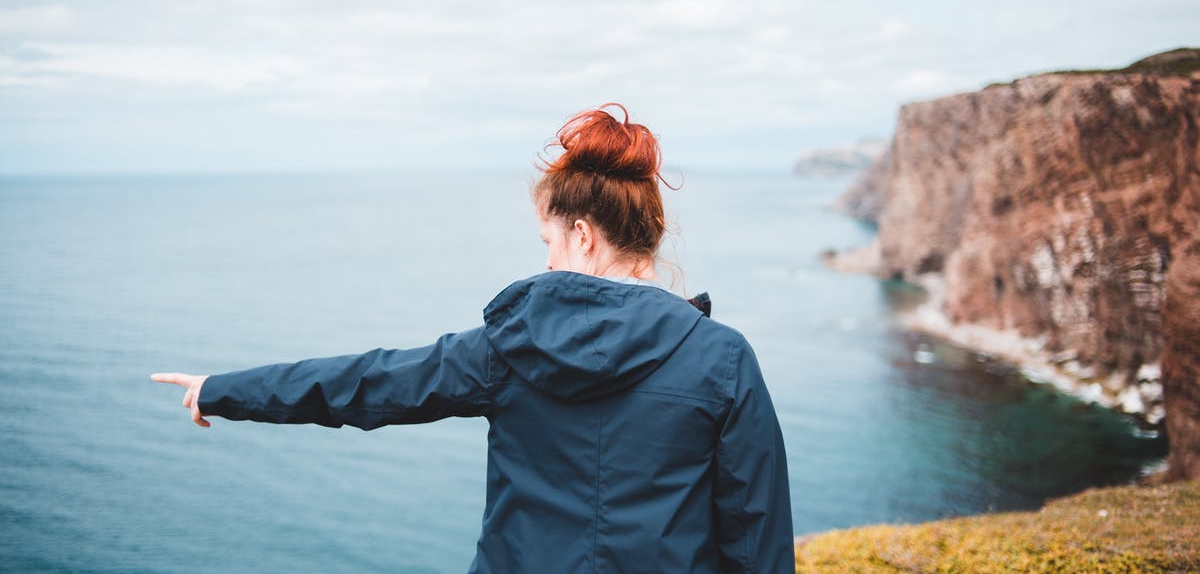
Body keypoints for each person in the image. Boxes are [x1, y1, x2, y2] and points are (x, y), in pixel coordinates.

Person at [152, 103, 794, 573]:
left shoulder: (507, 350)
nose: (546, 262)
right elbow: (756, 535)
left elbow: (365, 383)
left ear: (582, 235)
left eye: (548, 243)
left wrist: (220, 390)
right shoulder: (723, 359)